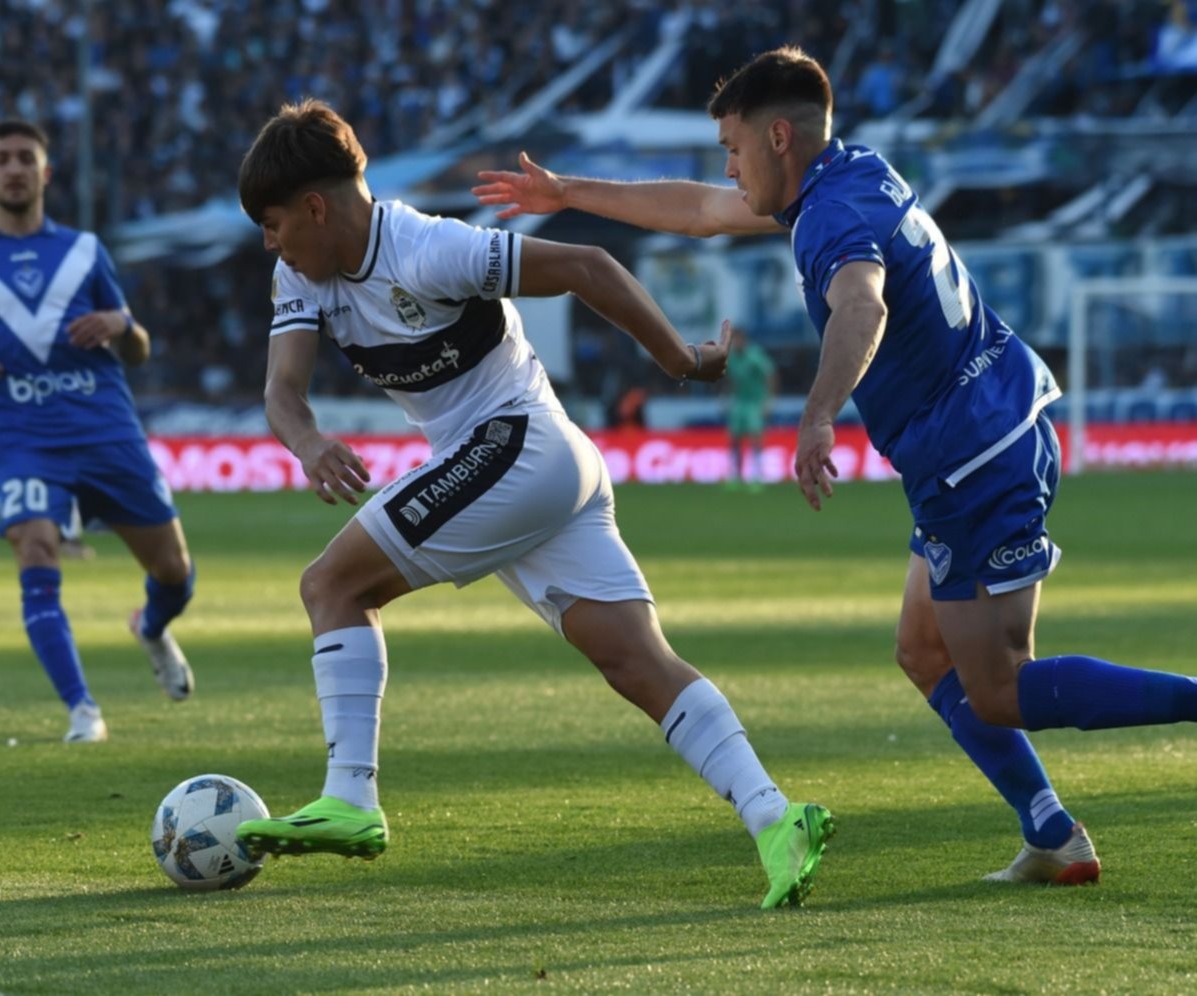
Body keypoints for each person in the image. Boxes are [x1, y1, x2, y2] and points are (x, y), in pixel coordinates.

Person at [473, 46, 1197, 884]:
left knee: (997, 685)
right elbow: (702, 211)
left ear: (778, 136)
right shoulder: (851, 173)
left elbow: (863, 302)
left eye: (734, 148)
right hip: (989, 422)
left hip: (974, 454)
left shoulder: (825, 220)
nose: (728, 167)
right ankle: (1052, 833)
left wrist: (817, 415)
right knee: (925, 651)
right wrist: (567, 194)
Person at [229, 99, 834, 909]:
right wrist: (308, 445)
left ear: (314, 207)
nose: (269, 244)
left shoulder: (427, 249)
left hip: (518, 446)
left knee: (331, 586)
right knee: (636, 662)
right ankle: (776, 818)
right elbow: (282, 392)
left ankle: (353, 798)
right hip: (535, 468)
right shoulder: (300, 275)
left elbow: (589, 267)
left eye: (273, 224)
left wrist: (684, 362)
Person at [0, 119, 197, 743]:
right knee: (35, 548)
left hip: (107, 433)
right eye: (2, 159)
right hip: (25, 441)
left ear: (45, 173)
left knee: (175, 572)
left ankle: (150, 628)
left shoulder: (86, 252)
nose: (14, 168)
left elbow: (140, 349)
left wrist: (121, 325)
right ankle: (83, 710)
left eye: (25, 158)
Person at [723, 326, 776, 491]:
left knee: (755, 437)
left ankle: (757, 476)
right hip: (739, 401)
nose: (737, 343)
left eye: (739, 339)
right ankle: (735, 476)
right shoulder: (731, 359)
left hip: (755, 402)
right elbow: (730, 380)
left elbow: (771, 374)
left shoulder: (754, 356)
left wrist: (768, 401)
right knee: (734, 439)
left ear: (744, 340)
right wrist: (726, 398)